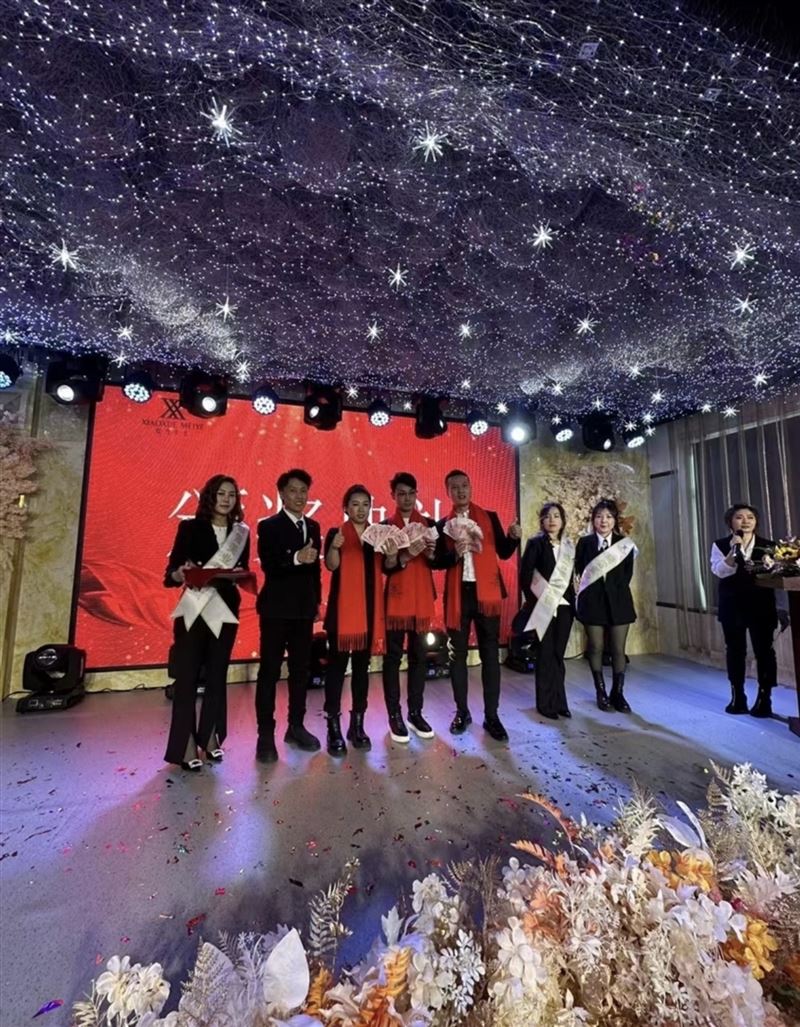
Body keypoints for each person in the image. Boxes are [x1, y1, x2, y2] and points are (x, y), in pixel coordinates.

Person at [164, 475, 250, 771]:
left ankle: (211, 735)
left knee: (216, 676)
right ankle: (185, 743)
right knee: (187, 678)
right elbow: (171, 573)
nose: (226, 499)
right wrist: (180, 573)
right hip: (195, 608)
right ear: (209, 497)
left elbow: (243, 569)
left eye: (232, 495)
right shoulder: (189, 527)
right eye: (221, 494)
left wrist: (241, 575)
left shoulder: (241, 533)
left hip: (224, 611)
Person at [436, 469, 521, 741]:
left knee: (490, 655)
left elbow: (504, 552)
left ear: (471, 487)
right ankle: (462, 712)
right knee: (457, 656)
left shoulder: (489, 517)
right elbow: (435, 561)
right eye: (455, 487)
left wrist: (514, 537)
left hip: (487, 593)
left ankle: (492, 716)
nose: (461, 491)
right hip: (458, 595)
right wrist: (454, 554)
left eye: (464, 485)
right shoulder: (442, 525)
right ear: (447, 492)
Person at [255, 468, 322, 763]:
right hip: (275, 609)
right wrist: (296, 557)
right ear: (282, 493)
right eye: (293, 490)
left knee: (300, 671)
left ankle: (296, 726)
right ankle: (265, 735)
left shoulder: (314, 526)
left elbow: (315, 570)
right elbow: (269, 565)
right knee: (269, 671)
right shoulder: (268, 526)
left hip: (304, 610)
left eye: (303, 491)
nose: (299, 496)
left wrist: (317, 602)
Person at [322, 484, 386, 755]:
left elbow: (388, 566)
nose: (361, 509)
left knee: (362, 670)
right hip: (342, 614)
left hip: (369, 612)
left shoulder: (377, 534)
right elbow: (331, 565)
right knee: (336, 670)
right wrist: (335, 548)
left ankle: (357, 725)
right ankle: (333, 727)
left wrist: (392, 551)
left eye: (365, 504)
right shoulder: (335, 533)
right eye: (355, 504)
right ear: (346, 508)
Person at [381, 472, 438, 743]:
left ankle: (415, 713)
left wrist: (432, 553)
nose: (406, 498)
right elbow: (384, 567)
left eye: (411, 493)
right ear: (393, 496)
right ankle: (395, 715)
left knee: (419, 657)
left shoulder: (429, 525)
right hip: (395, 601)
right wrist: (404, 556)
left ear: (417, 494)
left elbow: (439, 561)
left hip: (422, 601)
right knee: (393, 659)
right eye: (401, 494)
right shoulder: (385, 526)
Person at [710, 503, 779, 717]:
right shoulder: (721, 545)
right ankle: (737, 696)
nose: (745, 521)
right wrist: (733, 551)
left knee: (764, 651)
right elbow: (720, 571)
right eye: (739, 517)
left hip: (761, 605)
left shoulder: (769, 546)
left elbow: (778, 573)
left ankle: (764, 697)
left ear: (756, 522)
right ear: (731, 522)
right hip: (732, 605)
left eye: (750, 517)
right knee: (735, 650)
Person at [574, 499, 637, 713]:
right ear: (593, 520)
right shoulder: (584, 543)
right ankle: (600, 692)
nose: (604, 521)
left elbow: (626, 576)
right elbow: (579, 571)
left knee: (618, 649)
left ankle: (618, 693)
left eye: (609, 517)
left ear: (614, 520)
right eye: (599, 516)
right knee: (596, 647)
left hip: (619, 603)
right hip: (592, 604)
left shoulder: (624, 544)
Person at [519, 502, 575, 719]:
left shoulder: (569, 546)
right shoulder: (535, 544)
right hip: (543, 607)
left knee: (558, 655)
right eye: (547, 516)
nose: (552, 520)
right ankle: (545, 704)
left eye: (556, 516)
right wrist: (536, 602)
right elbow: (525, 576)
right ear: (541, 521)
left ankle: (560, 702)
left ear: (562, 520)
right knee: (545, 654)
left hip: (565, 608)